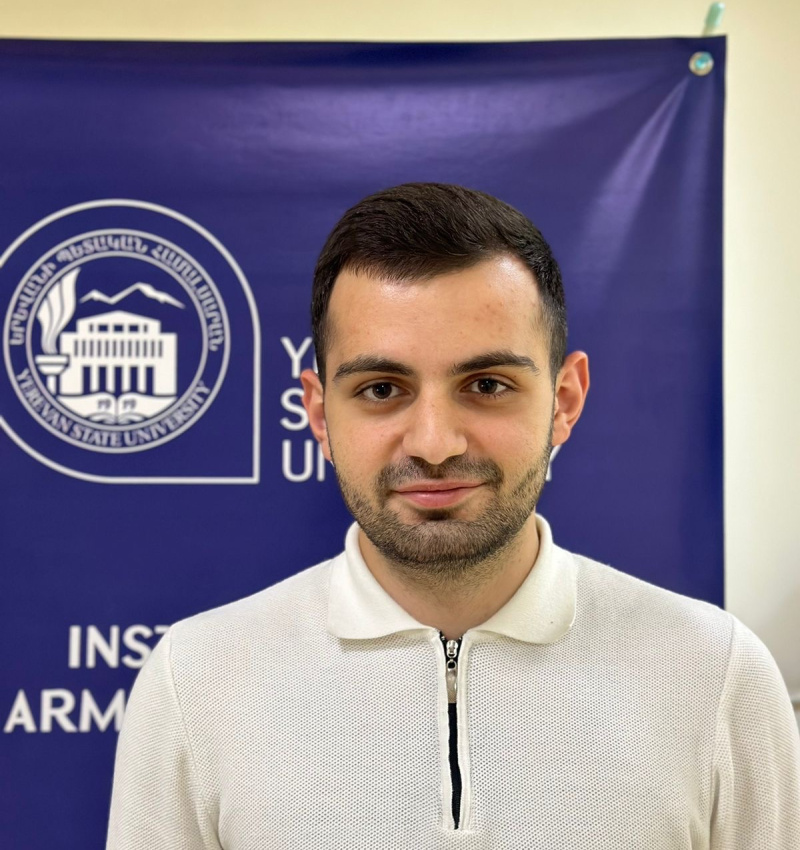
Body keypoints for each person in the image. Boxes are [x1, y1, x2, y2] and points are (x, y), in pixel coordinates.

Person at [106, 183, 800, 849]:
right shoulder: (194, 682)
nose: (435, 444)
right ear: (318, 413)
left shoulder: (717, 675)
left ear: (564, 400)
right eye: (382, 389)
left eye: (487, 385)